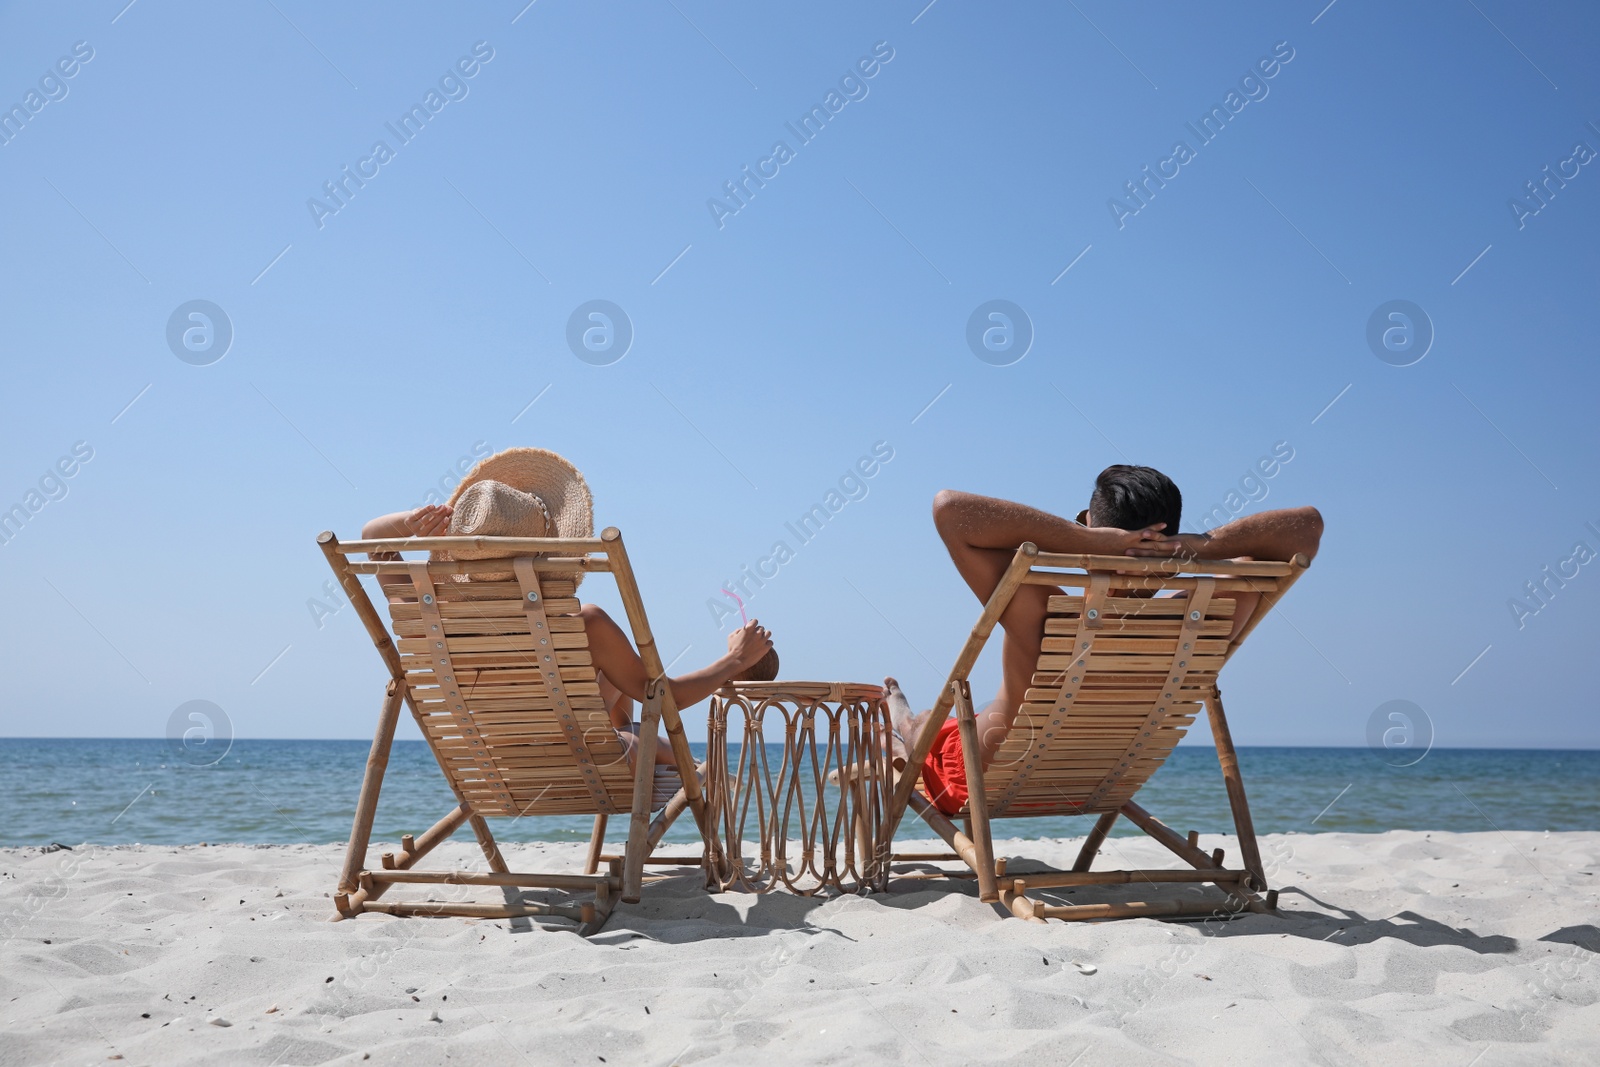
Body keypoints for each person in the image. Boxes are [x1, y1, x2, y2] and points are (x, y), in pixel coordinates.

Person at [886, 463, 1323, 815]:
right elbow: (1306, 527)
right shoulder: (1211, 616)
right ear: (1172, 534)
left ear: (1094, 526)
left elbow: (950, 510)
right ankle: (907, 718)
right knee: (940, 722)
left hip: (979, 783)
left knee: (925, 728)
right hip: (1097, 785)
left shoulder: (1042, 613)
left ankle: (901, 721)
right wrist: (1203, 547)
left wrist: (1081, 539)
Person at [362, 447, 773, 770]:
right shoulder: (583, 624)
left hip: (489, 764)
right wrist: (734, 660)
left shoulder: (426, 611)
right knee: (629, 726)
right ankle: (695, 769)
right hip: (584, 762)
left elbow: (372, 537)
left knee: (601, 682)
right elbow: (665, 698)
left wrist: (416, 522)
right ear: (548, 547)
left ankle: (640, 732)